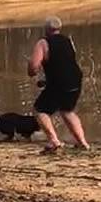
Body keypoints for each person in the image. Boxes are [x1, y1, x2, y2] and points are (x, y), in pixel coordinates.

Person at [28, 16, 90, 153]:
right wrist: (47, 81)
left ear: (46, 29)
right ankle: (83, 143)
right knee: (67, 110)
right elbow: (65, 63)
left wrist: (32, 70)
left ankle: (53, 141)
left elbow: (33, 67)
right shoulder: (68, 41)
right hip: (75, 80)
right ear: (59, 28)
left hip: (59, 82)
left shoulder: (43, 43)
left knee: (40, 110)